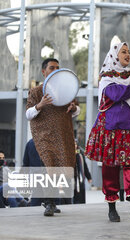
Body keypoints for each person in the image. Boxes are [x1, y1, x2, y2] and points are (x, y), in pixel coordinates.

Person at [85, 42, 130, 223]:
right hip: (112, 129)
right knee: (111, 169)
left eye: (128, 52)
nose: (127, 54)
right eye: (123, 52)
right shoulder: (107, 77)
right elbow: (115, 94)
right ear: (114, 55)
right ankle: (112, 208)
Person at [26, 58, 80, 216]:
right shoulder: (36, 92)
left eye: (57, 67)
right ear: (44, 72)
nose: (55, 70)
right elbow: (28, 114)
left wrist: (74, 107)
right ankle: (49, 202)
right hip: (44, 136)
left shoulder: (66, 91)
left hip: (62, 136)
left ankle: (52, 201)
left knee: (61, 168)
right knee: (49, 166)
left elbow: (76, 112)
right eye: (51, 67)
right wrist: (39, 105)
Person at [73, 139, 92, 204]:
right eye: (73, 144)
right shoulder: (69, 155)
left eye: (75, 144)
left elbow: (85, 166)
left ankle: (80, 204)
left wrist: (89, 177)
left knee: (81, 192)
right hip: (73, 177)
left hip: (80, 177)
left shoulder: (80, 154)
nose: (74, 146)